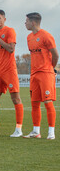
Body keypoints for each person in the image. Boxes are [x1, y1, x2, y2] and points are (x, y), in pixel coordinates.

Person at [23, 12, 58, 140]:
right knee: (34, 103)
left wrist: (51, 68)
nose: (25, 23)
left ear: (33, 22)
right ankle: (36, 131)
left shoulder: (46, 36)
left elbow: (55, 54)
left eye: (26, 21)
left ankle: (51, 132)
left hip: (46, 74)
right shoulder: (29, 37)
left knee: (48, 103)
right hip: (34, 74)